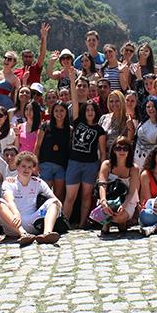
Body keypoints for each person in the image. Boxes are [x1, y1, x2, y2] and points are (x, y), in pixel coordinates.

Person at [0, 152, 63, 245]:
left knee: (54, 202)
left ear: (33, 169)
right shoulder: (9, 183)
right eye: (23, 166)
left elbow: (56, 201)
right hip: (13, 222)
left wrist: (55, 207)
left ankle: (47, 234)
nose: (26, 169)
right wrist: (16, 214)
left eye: (29, 167)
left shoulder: (38, 182)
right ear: (17, 166)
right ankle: (23, 234)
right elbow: (9, 200)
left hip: (32, 221)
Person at [64, 96, 107, 228]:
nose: (89, 112)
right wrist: (72, 83)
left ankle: (82, 223)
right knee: (70, 196)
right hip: (74, 163)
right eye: (87, 110)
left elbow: (103, 151)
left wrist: (101, 170)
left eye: (92, 110)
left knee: (86, 196)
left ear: (96, 112)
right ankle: (64, 223)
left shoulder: (100, 130)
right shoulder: (78, 122)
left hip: (91, 165)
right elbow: (75, 100)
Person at [36, 101, 70, 202]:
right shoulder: (45, 126)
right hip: (45, 165)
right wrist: (35, 164)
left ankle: (58, 212)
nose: (59, 113)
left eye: (62, 111)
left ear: (66, 112)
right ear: (52, 112)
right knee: (44, 195)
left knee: (59, 195)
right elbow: (37, 146)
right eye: (56, 111)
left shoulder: (70, 129)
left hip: (61, 166)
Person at [134, 96, 157, 168]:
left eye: (153, 106)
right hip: (136, 161)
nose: (150, 109)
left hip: (150, 163)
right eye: (148, 107)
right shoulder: (143, 122)